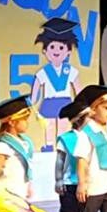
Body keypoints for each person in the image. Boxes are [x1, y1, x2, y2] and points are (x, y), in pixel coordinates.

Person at [33, 17, 81, 151]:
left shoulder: (70, 71)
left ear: (68, 52)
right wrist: (31, 101)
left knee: (63, 125)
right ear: (45, 51)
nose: (56, 51)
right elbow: (36, 86)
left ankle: (62, 145)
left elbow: (78, 90)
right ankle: (49, 145)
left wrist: (81, 103)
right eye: (52, 47)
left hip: (65, 101)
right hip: (49, 101)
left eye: (61, 47)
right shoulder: (44, 72)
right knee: (49, 125)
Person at [55, 99, 91, 212]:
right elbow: (60, 160)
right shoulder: (66, 138)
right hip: (69, 183)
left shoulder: (88, 136)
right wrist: (58, 180)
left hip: (85, 183)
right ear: (79, 119)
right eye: (88, 117)